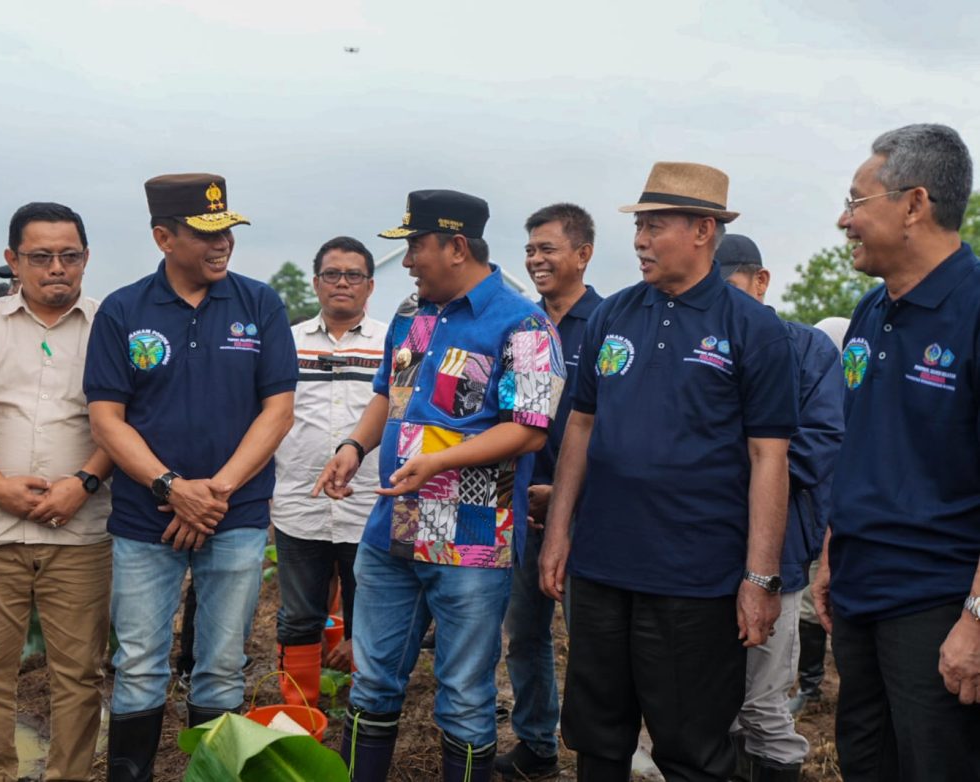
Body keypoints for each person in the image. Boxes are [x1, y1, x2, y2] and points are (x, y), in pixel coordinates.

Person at [539, 162, 799, 782]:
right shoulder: (614, 315)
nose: (640, 240)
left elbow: (770, 457)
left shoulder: (752, 328)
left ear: (703, 230)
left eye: (655, 226)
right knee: (597, 738)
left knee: (691, 748)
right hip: (603, 568)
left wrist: (759, 577)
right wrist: (558, 532)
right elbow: (581, 425)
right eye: (639, 227)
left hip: (695, 578)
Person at [313, 189, 565, 782]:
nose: (406, 262)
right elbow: (388, 395)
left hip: (473, 540)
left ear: (455, 247)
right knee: (372, 680)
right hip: (392, 528)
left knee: (465, 693)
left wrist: (438, 463)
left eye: (415, 247)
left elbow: (529, 431)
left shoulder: (522, 323)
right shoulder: (412, 312)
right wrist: (354, 446)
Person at [85, 173, 297, 781]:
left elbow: (277, 411)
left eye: (227, 229)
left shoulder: (260, 303)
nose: (222, 243)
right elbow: (107, 418)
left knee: (222, 665)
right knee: (141, 663)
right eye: (205, 233)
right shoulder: (124, 310)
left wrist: (217, 491)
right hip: (143, 520)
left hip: (236, 516)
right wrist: (173, 488)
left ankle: (215, 774)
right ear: (162, 237)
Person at [812, 123, 980, 781]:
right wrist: (833, 549)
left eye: (856, 201)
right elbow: (863, 440)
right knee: (865, 761)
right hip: (858, 590)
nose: (843, 219)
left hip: (938, 603)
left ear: (914, 204)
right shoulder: (869, 311)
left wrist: (975, 617)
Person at [0, 202, 114, 781]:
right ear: (12, 260)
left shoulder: (108, 326)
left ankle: (69, 774)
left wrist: (82, 483)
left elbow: (124, 419)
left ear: (87, 258)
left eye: (69, 256)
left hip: (81, 529)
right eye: (40, 257)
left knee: (80, 674)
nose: (56, 269)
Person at [718, 234, 844, 782]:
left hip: (779, 554)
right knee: (708, 708)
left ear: (760, 281)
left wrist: (710, 474)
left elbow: (817, 449)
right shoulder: (696, 348)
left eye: (727, 285)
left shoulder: (806, 350)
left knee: (762, 706)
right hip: (696, 555)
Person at [496, 203, 603, 779]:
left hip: (588, 513)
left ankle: (594, 749)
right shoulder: (521, 326)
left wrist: (562, 493)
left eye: (548, 249)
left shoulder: (611, 324)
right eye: (531, 249)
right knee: (525, 634)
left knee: (589, 639)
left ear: (583, 255)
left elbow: (612, 428)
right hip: (521, 508)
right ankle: (537, 744)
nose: (536, 259)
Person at [272, 236, 386, 704]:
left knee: (370, 617)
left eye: (353, 275)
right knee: (298, 616)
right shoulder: (287, 342)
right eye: (332, 275)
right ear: (317, 282)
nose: (343, 283)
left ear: (370, 285)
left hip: (370, 506)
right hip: (301, 504)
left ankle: (366, 714)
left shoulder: (390, 342)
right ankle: (301, 716)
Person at [787, 315, 850, 716]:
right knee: (811, 605)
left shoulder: (859, 400)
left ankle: (846, 681)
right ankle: (811, 685)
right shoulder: (818, 397)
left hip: (846, 518)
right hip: (820, 517)